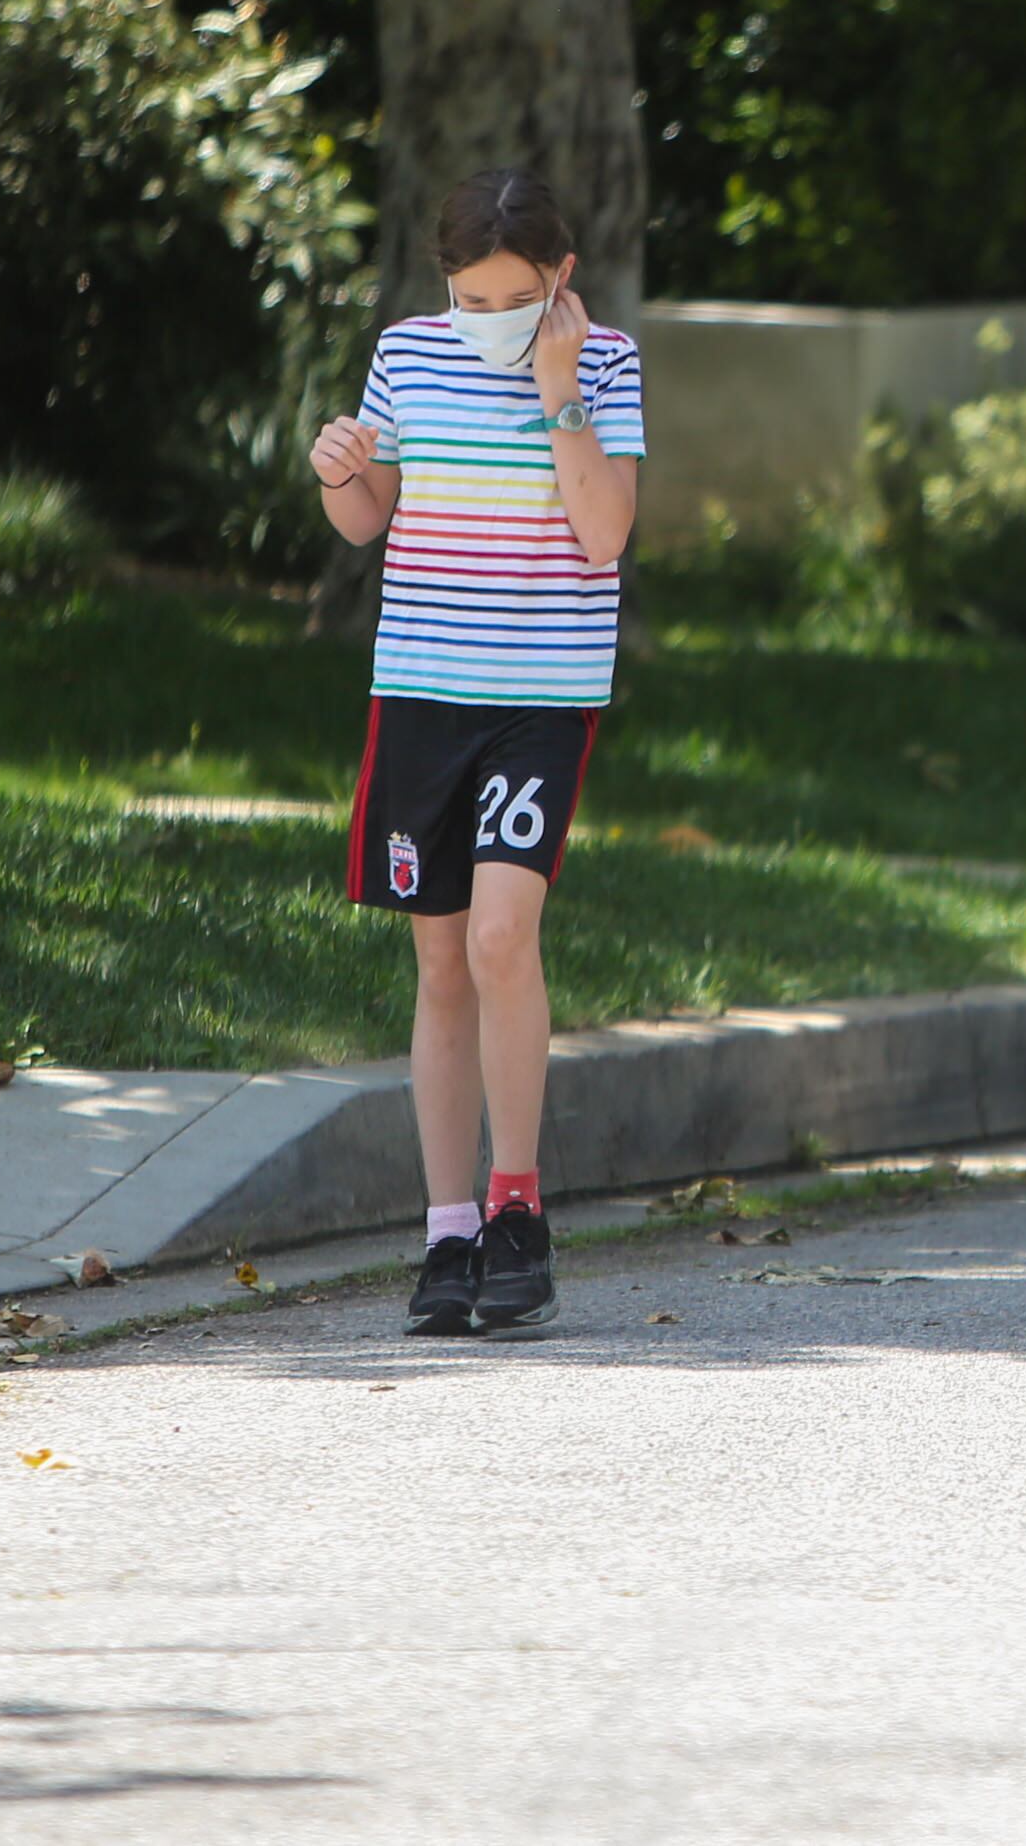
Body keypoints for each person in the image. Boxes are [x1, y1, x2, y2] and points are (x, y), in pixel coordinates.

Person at [310, 168, 643, 1336]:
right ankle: (448, 1228)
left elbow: (604, 533)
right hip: (422, 695)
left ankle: (518, 1206)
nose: (489, 317)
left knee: (505, 933)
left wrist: (558, 392)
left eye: (513, 295)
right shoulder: (407, 354)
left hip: (540, 697)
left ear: (560, 277)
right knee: (440, 961)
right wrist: (343, 471)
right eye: (469, 295)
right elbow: (373, 516)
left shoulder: (604, 363)